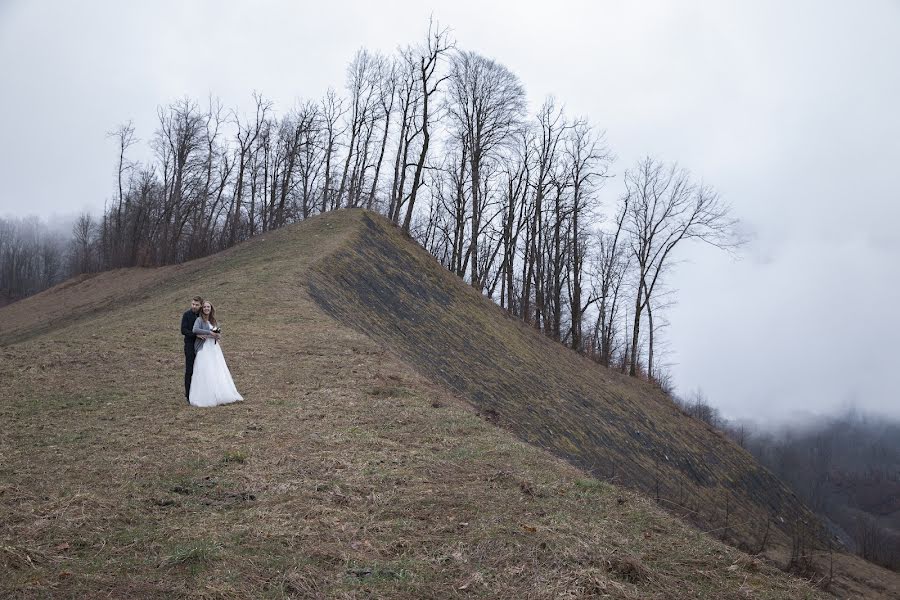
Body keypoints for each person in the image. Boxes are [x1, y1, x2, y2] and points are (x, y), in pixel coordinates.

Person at [188, 300, 243, 407]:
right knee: (205, 370)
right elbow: (195, 329)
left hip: (214, 348)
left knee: (217, 369)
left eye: (208, 307)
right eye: (204, 307)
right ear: (202, 309)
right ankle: (206, 395)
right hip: (204, 348)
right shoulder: (199, 320)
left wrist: (217, 335)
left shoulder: (214, 321)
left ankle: (220, 393)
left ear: (211, 308)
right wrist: (209, 333)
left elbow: (218, 334)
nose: (206, 309)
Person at [180, 296, 203, 403]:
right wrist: (196, 335)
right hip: (189, 345)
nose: (194, 306)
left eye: (196, 305)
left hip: (202, 346)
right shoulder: (186, 315)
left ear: (201, 305)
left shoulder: (204, 315)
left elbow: (210, 326)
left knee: (202, 370)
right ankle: (188, 395)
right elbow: (183, 330)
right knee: (190, 370)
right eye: (193, 304)